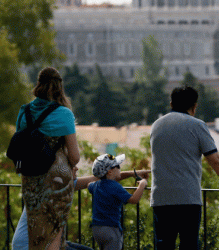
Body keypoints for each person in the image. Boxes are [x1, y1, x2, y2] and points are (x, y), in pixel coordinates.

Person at [150, 85, 219, 250]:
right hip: (187, 198)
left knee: (163, 245)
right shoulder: (197, 125)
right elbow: (215, 160)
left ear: (171, 104)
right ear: (194, 106)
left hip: (160, 197)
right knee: (189, 244)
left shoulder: (156, 125)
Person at [17, 67, 80, 250]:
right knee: (54, 231)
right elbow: (75, 157)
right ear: (59, 87)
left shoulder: (24, 111)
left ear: (39, 84)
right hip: (57, 179)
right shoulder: (64, 114)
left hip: (31, 179)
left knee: (35, 231)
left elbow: (20, 143)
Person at [12, 166, 149, 250]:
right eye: (72, 166)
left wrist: (133, 173)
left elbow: (102, 178)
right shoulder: (51, 189)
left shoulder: (62, 185)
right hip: (31, 245)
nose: (77, 168)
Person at [89, 154, 148, 250]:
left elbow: (89, 185)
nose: (120, 168)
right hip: (111, 229)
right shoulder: (115, 186)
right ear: (110, 171)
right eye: (118, 166)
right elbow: (133, 200)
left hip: (97, 229)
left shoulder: (96, 185)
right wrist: (142, 184)